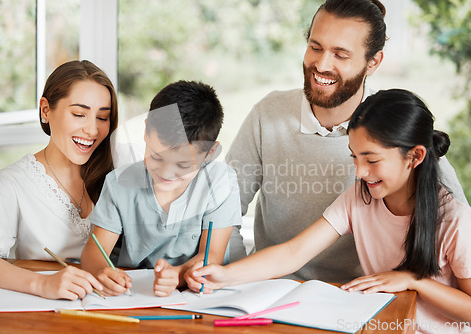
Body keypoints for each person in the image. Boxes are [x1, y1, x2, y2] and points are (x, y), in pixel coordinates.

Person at [191, 89, 471, 334]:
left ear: (415, 156)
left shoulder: (454, 219)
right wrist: (225, 275)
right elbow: (294, 252)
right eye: (354, 156)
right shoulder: (359, 199)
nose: (360, 172)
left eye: (371, 160)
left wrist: (414, 281)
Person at [226, 0, 468, 282]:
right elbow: (224, 211)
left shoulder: (395, 129)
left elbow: (455, 220)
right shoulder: (267, 115)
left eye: (341, 55)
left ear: (373, 62)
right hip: (270, 287)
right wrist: (235, 279)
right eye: (315, 47)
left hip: (359, 297)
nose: (321, 64)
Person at [0, 60, 119, 300]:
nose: (92, 130)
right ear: (46, 110)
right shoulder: (8, 185)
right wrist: (42, 284)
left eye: (102, 118)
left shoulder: (117, 176)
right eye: (79, 114)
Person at [80, 80, 241, 297]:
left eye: (183, 165)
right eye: (156, 156)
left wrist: (179, 274)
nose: (165, 173)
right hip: (135, 293)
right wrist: (101, 270)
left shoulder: (220, 182)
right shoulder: (119, 183)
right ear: (145, 131)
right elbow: (94, 252)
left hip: (204, 294)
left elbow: (212, 256)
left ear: (210, 153)